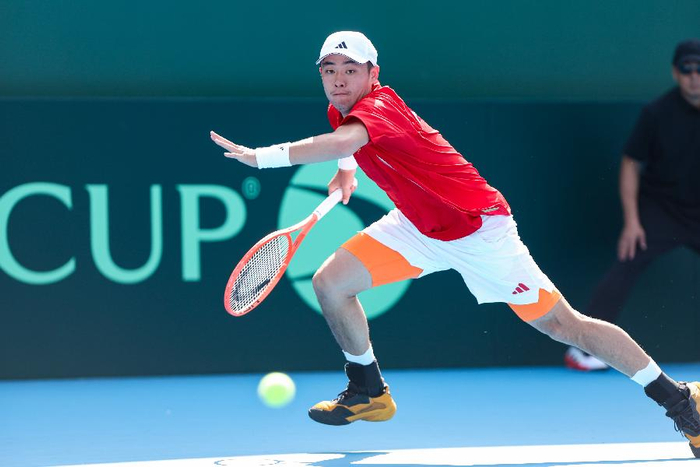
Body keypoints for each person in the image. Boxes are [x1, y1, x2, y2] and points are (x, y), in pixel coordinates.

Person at [210, 31, 700, 457]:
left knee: (565, 326)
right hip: (416, 226)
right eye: (329, 70)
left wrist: (262, 157)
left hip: (479, 232)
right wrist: (345, 172)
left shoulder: (379, 105)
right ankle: (368, 389)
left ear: (373, 74)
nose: (338, 79)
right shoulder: (344, 110)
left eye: (350, 70)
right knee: (330, 283)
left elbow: (343, 140)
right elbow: (346, 141)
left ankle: (679, 400)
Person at [564, 38, 700, 373]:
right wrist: (632, 222)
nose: (694, 77)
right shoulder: (656, 113)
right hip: (662, 210)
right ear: (675, 73)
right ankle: (586, 350)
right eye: (687, 70)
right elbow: (630, 163)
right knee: (627, 261)